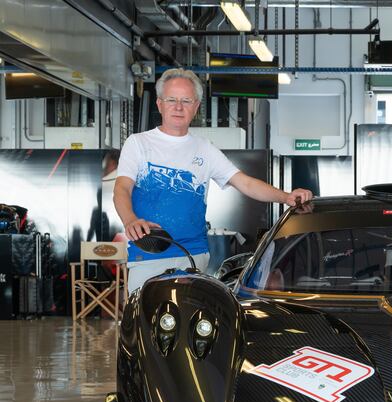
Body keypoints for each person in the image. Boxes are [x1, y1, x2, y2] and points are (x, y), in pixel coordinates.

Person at [114, 68, 312, 292]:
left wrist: (286, 196)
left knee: (194, 324)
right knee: (147, 322)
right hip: (148, 252)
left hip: (194, 255)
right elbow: (121, 188)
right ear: (159, 104)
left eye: (186, 101)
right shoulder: (139, 143)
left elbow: (245, 182)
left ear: (196, 107)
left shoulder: (204, 149)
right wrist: (130, 219)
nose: (178, 107)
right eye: (172, 100)